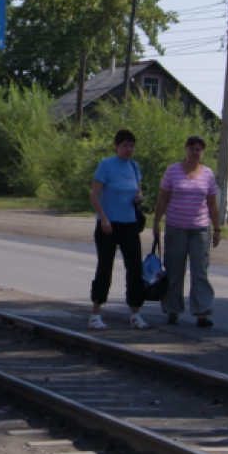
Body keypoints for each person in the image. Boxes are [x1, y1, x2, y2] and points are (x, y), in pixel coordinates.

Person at [153, 135, 220, 327]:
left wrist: (217, 229)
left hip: (200, 229)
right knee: (175, 269)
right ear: (185, 150)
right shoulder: (173, 171)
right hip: (176, 227)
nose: (195, 152)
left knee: (200, 270)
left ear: (203, 153)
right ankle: (172, 311)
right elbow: (163, 199)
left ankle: (202, 312)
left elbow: (213, 204)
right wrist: (156, 224)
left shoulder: (207, 174)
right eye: (191, 148)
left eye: (198, 149)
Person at [88, 128, 148, 331]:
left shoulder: (134, 166)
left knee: (135, 268)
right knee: (105, 266)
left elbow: (137, 191)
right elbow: (94, 195)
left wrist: (139, 197)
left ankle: (135, 312)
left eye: (131, 145)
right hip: (109, 223)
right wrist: (103, 219)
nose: (128, 149)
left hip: (129, 223)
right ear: (116, 146)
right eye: (124, 145)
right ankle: (96, 313)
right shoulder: (106, 165)